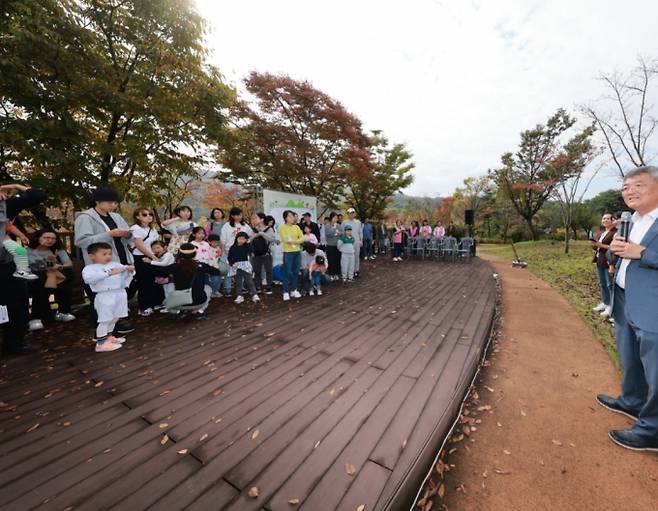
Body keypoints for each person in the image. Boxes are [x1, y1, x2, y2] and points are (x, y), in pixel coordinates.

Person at [597, 165, 658, 452]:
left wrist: (643, 253)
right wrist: (614, 250)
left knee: (655, 367)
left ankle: (652, 429)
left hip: (652, 303)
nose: (629, 191)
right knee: (629, 355)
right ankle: (632, 401)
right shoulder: (630, 221)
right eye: (625, 187)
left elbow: (641, 254)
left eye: (638, 185)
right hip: (624, 297)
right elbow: (616, 253)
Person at [74, 185, 135, 336]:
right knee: (102, 298)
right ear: (98, 201)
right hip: (100, 264)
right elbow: (82, 241)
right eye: (110, 202)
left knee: (117, 294)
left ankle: (114, 327)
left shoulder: (116, 217)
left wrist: (127, 234)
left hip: (120, 259)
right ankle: (101, 333)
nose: (113, 205)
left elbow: (128, 236)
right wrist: (109, 234)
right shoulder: (85, 217)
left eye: (115, 203)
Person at [1, 183, 47, 355]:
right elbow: (38, 195)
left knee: (15, 303)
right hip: (7, 265)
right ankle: (13, 345)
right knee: (16, 302)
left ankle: (14, 343)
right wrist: (15, 186)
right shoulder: (6, 205)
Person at [81, 242, 134, 353]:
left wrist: (129, 271)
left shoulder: (116, 264)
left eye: (110, 254)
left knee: (115, 317)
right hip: (105, 295)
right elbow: (89, 279)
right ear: (92, 256)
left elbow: (125, 274)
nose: (108, 256)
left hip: (119, 293)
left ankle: (109, 337)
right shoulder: (89, 269)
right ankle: (101, 343)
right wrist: (109, 273)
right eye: (104, 254)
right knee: (105, 319)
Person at [27, 228, 76, 331]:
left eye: (53, 238)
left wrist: (60, 266)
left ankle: (63, 312)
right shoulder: (30, 251)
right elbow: (33, 266)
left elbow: (68, 263)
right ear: (38, 238)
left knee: (64, 286)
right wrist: (48, 267)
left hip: (55, 277)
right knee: (40, 289)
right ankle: (35, 318)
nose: (50, 240)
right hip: (37, 279)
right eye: (46, 237)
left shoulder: (57, 249)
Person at [157, 243, 218, 319]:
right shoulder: (201, 266)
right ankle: (199, 311)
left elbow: (159, 272)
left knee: (170, 286)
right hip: (198, 302)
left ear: (180, 254)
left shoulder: (175, 267)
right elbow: (216, 272)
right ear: (194, 254)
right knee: (207, 288)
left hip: (179, 303)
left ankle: (179, 312)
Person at [129, 208, 163, 317]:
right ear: (137, 217)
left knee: (155, 281)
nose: (148, 216)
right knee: (144, 282)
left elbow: (157, 244)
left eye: (150, 214)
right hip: (140, 258)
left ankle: (156, 303)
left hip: (154, 257)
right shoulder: (135, 228)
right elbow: (140, 245)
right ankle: (144, 307)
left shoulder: (152, 230)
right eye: (144, 214)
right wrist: (153, 257)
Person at [220, 207, 253, 297]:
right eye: (236, 215)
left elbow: (250, 235)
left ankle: (242, 287)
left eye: (240, 215)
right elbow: (223, 240)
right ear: (232, 216)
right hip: (229, 250)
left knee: (243, 270)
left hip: (242, 251)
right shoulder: (227, 226)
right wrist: (222, 252)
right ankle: (228, 289)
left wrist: (247, 244)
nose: (239, 217)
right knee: (229, 270)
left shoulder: (245, 226)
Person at [590, 213, 617, 318]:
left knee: (610, 285)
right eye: (603, 218)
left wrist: (600, 245)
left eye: (607, 219)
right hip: (599, 260)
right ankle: (605, 302)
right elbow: (599, 247)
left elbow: (613, 247)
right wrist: (594, 245)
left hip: (608, 262)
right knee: (602, 283)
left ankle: (611, 305)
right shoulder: (602, 233)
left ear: (612, 220)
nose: (605, 220)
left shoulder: (615, 233)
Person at [228, 232, 259, 304]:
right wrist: (232, 263)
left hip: (245, 265)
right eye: (240, 238)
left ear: (246, 240)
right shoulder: (233, 247)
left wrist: (248, 243)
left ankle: (254, 294)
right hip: (236, 266)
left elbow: (251, 250)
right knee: (238, 282)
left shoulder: (246, 246)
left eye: (243, 239)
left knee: (249, 281)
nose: (241, 240)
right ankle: (239, 295)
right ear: (236, 239)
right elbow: (229, 257)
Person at [279, 209, 304, 301]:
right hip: (288, 253)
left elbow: (302, 238)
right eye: (290, 216)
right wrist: (295, 241)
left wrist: (294, 241)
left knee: (296, 271)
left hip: (297, 252)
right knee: (287, 272)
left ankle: (294, 290)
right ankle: (285, 291)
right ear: (285, 218)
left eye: (293, 216)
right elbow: (285, 239)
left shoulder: (296, 227)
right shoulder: (282, 227)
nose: (292, 218)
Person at [146, 240, 176, 309]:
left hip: (170, 276)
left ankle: (172, 306)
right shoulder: (157, 256)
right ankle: (167, 305)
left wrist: (151, 262)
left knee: (170, 291)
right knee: (166, 291)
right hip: (164, 277)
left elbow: (164, 263)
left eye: (158, 248)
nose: (156, 250)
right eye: (153, 249)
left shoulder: (168, 254)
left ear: (164, 247)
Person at [250, 212, 275, 295]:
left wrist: (262, 233)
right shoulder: (253, 229)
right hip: (256, 254)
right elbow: (250, 240)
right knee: (257, 271)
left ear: (262, 219)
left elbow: (271, 239)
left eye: (256, 218)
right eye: (253, 218)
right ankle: (258, 287)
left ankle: (269, 287)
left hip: (267, 253)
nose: (254, 220)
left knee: (268, 270)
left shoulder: (269, 229)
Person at [343, 208, 363, 277]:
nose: (351, 214)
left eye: (352, 213)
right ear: (347, 214)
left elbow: (360, 232)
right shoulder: (344, 222)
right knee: (348, 257)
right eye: (349, 213)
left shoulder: (358, 222)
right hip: (348, 243)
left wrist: (361, 240)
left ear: (354, 214)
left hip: (356, 243)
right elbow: (343, 233)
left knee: (356, 257)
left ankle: (356, 270)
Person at [324, 212, 342, 280]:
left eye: (336, 218)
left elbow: (342, 234)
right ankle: (331, 274)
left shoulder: (339, 225)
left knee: (337, 260)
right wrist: (333, 229)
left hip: (337, 245)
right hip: (330, 245)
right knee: (331, 260)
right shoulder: (327, 226)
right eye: (334, 218)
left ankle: (336, 274)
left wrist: (339, 233)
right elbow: (328, 234)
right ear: (331, 218)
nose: (336, 219)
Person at [205, 234, 223, 298]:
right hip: (210, 266)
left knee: (218, 279)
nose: (215, 243)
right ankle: (211, 291)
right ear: (209, 241)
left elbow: (219, 256)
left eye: (217, 242)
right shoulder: (207, 248)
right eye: (213, 242)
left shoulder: (218, 248)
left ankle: (216, 290)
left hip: (217, 266)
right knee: (213, 279)